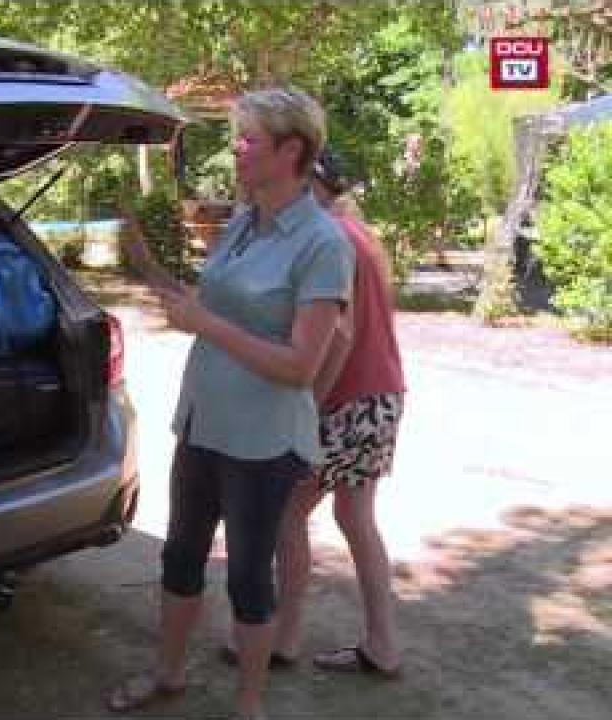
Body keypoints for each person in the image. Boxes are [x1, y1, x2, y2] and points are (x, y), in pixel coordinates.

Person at [108, 88, 354, 720]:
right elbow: (206, 306)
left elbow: (301, 364)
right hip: (203, 422)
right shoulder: (245, 222)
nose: (236, 150)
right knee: (180, 556)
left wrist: (204, 325)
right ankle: (168, 676)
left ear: (291, 150)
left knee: (248, 575)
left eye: (248, 140)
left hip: (264, 440)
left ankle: (249, 707)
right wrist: (142, 260)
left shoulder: (324, 243)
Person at [260, 147, 407, 678]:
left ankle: (284, 637)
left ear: (316, 186)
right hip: (381, 397)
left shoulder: (331, 239)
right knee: (355, 518)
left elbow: (339, 336)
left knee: (287, 514)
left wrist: (306, 407)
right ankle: (383, 645)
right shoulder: (359, 235)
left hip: (344, 401)